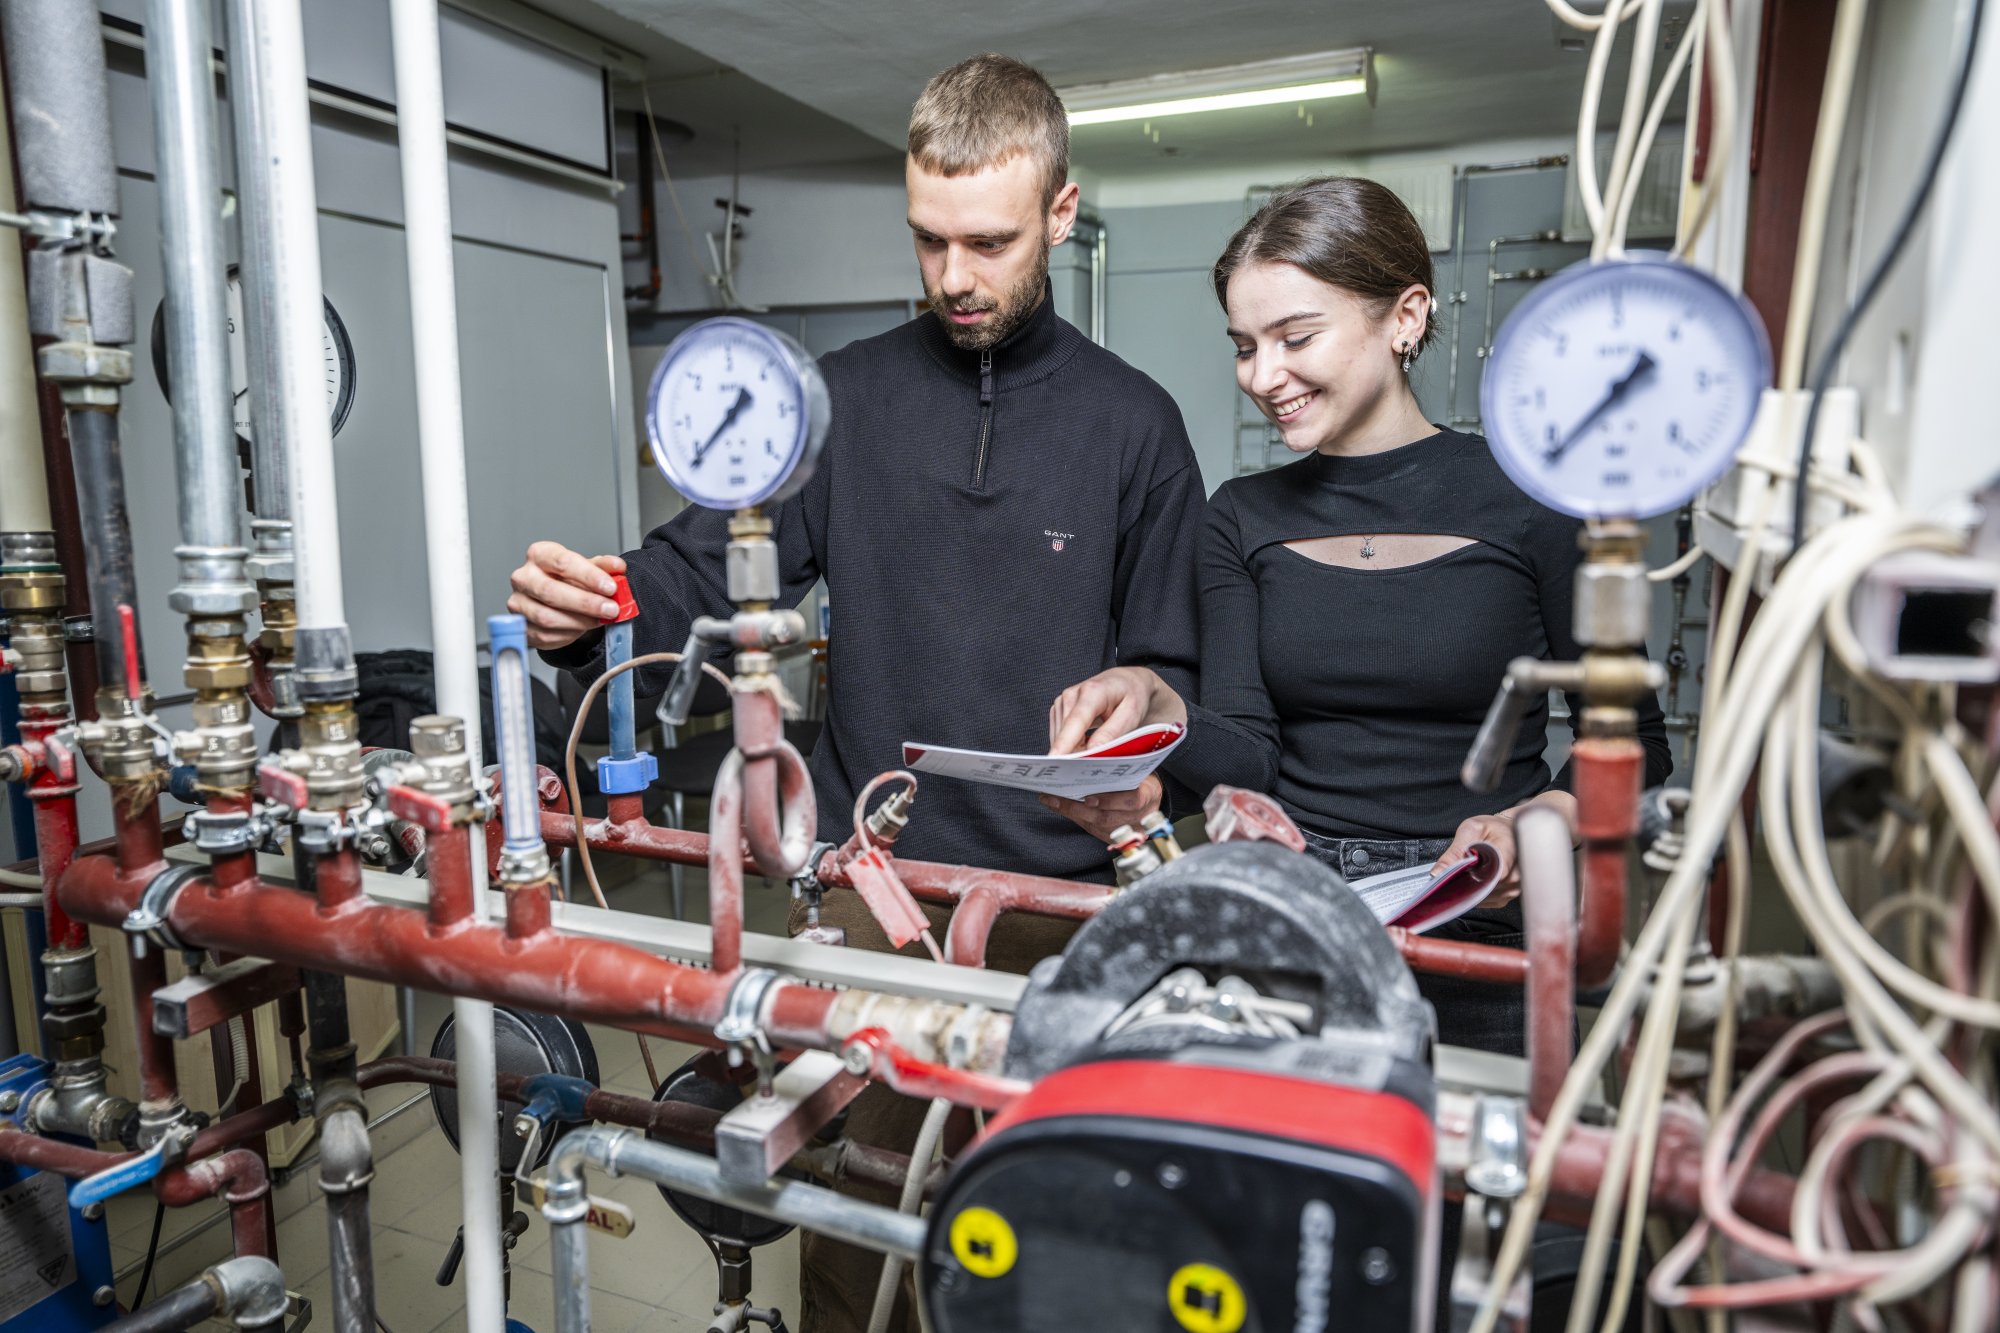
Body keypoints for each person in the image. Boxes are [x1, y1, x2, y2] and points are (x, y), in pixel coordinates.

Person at [509, 54, 1203, 1332]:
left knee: (1034, 1248)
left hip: (1058, 907)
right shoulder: (839, 402)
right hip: (869, 899)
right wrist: (596, 602)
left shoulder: (1136, 426)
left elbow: (1177, 665)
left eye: (987, 241)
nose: (952, 277)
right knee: (853, 1226)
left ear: (1059, 212)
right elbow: (692, 568)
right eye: (928, 239)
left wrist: (1140, 685)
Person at [1046, 174, 1672, 1052]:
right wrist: (1161, 703)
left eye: (1296, 336)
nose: (1264, 377)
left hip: (1485, 911)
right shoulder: (1239, 516)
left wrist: (1535, 827)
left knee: (1475, 1178)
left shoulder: (1534, 499)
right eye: (1244, 345)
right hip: (1293, 906)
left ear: (1406, 316)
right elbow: (1252, 757)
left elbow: (1638, 742)